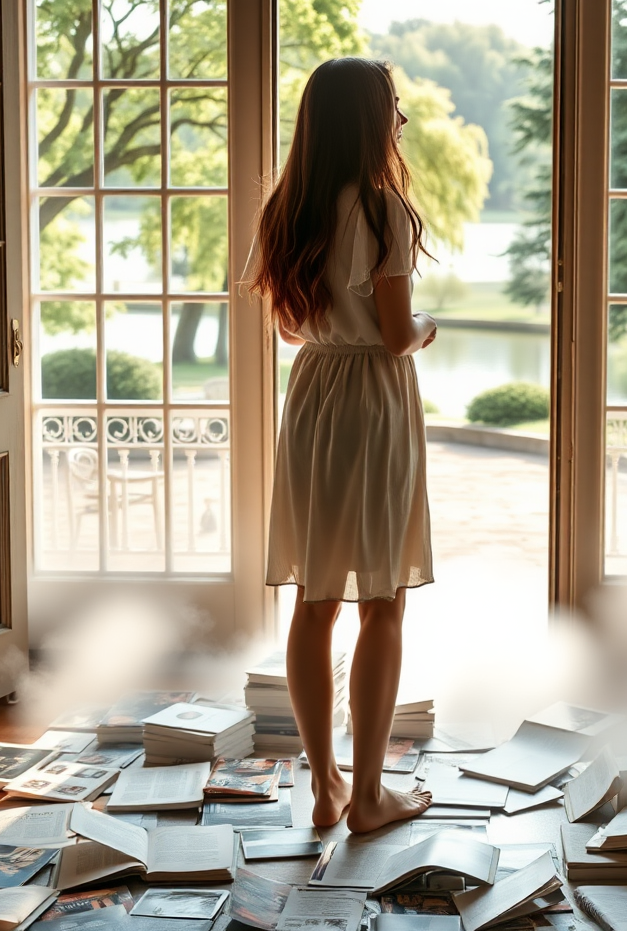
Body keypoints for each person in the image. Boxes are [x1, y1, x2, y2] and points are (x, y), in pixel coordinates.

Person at [243, 57, 437, 833]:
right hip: (372, 401)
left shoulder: (287, 207)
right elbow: (396, 337)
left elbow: (289, 325)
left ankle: (322, 784)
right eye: (393, 106)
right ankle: (368, 797)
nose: (401, 120)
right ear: (366, 118)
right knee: (382, 599)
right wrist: (429, 328)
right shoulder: (384, 207)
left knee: (313, 598)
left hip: (314, 394)